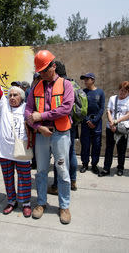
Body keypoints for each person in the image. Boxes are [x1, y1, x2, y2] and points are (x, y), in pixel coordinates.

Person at [25, 50, 74, 225]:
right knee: (41, 171)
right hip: (42, 135)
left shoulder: (66, 85)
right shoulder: (35, 87)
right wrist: (38, 127)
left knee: (62, 171)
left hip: (61, 133)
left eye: (45, 70)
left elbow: (66, 108)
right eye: (40, 71)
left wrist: (42, 117)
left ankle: (64, 206)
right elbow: (28, 112)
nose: (43, 74)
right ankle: (41, 203)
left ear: (54, 66)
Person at [0, 59, 32, 217]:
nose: (12, 97)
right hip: (5, 150)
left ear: (21, 97)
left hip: (22, 150)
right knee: (8, 178)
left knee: (24, 178)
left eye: (15, 95)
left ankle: (26, 203)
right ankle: (11, 201)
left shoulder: (26, 108)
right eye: (10, 95)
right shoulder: (3, 105)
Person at [47, 61, 79, 195]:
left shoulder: (61, 84)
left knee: (59, 156)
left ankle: (56, 185)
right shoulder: (73, 84)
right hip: (73, 123)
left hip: (62, 123)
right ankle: (73, 180)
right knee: (70, 153)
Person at [99, 81, 129, 177]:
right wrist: (111, 123)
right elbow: (108, 111)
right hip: (110, 127)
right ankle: (106, 168)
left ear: (128, 92)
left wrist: (116, 122)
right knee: (109, 148)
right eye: (121, 90)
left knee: (121, 149)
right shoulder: (113, 98)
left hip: (122, 128)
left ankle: (120, 167)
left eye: (125, 91)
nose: (123, 92)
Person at [79, 72, 105, 175]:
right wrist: (87, 120)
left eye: (87, 79)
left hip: (97, 123)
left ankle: (94, 165)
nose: (85, 81)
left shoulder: (100, 92)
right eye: (84, 79)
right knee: (85, 144)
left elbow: (102, 108)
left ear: (93, 80)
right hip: (85, 123)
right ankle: (85, 164)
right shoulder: (82, 92)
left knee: (96, 145)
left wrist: (94, 121)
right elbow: (81, 108)